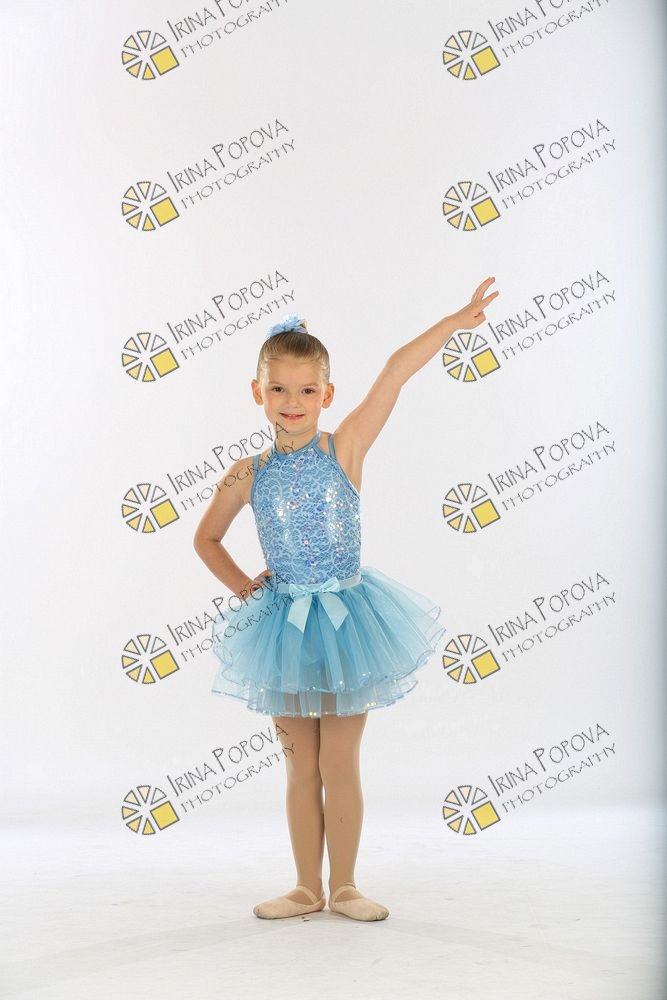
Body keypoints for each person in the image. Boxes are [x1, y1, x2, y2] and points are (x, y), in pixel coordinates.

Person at [193, 277, 499, 922]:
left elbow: (394, 373)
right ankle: (306, 886)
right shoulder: (247, 473)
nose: (293, 401)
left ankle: (348, 885)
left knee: (339, 762)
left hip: (347, 624)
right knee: (300, 767)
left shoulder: (345, 448)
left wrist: (454, 322)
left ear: (327, 395)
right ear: (257, 392)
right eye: (279, 389)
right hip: (282, 631)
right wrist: (246, 586)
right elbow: (206, 538)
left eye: (307, 390)